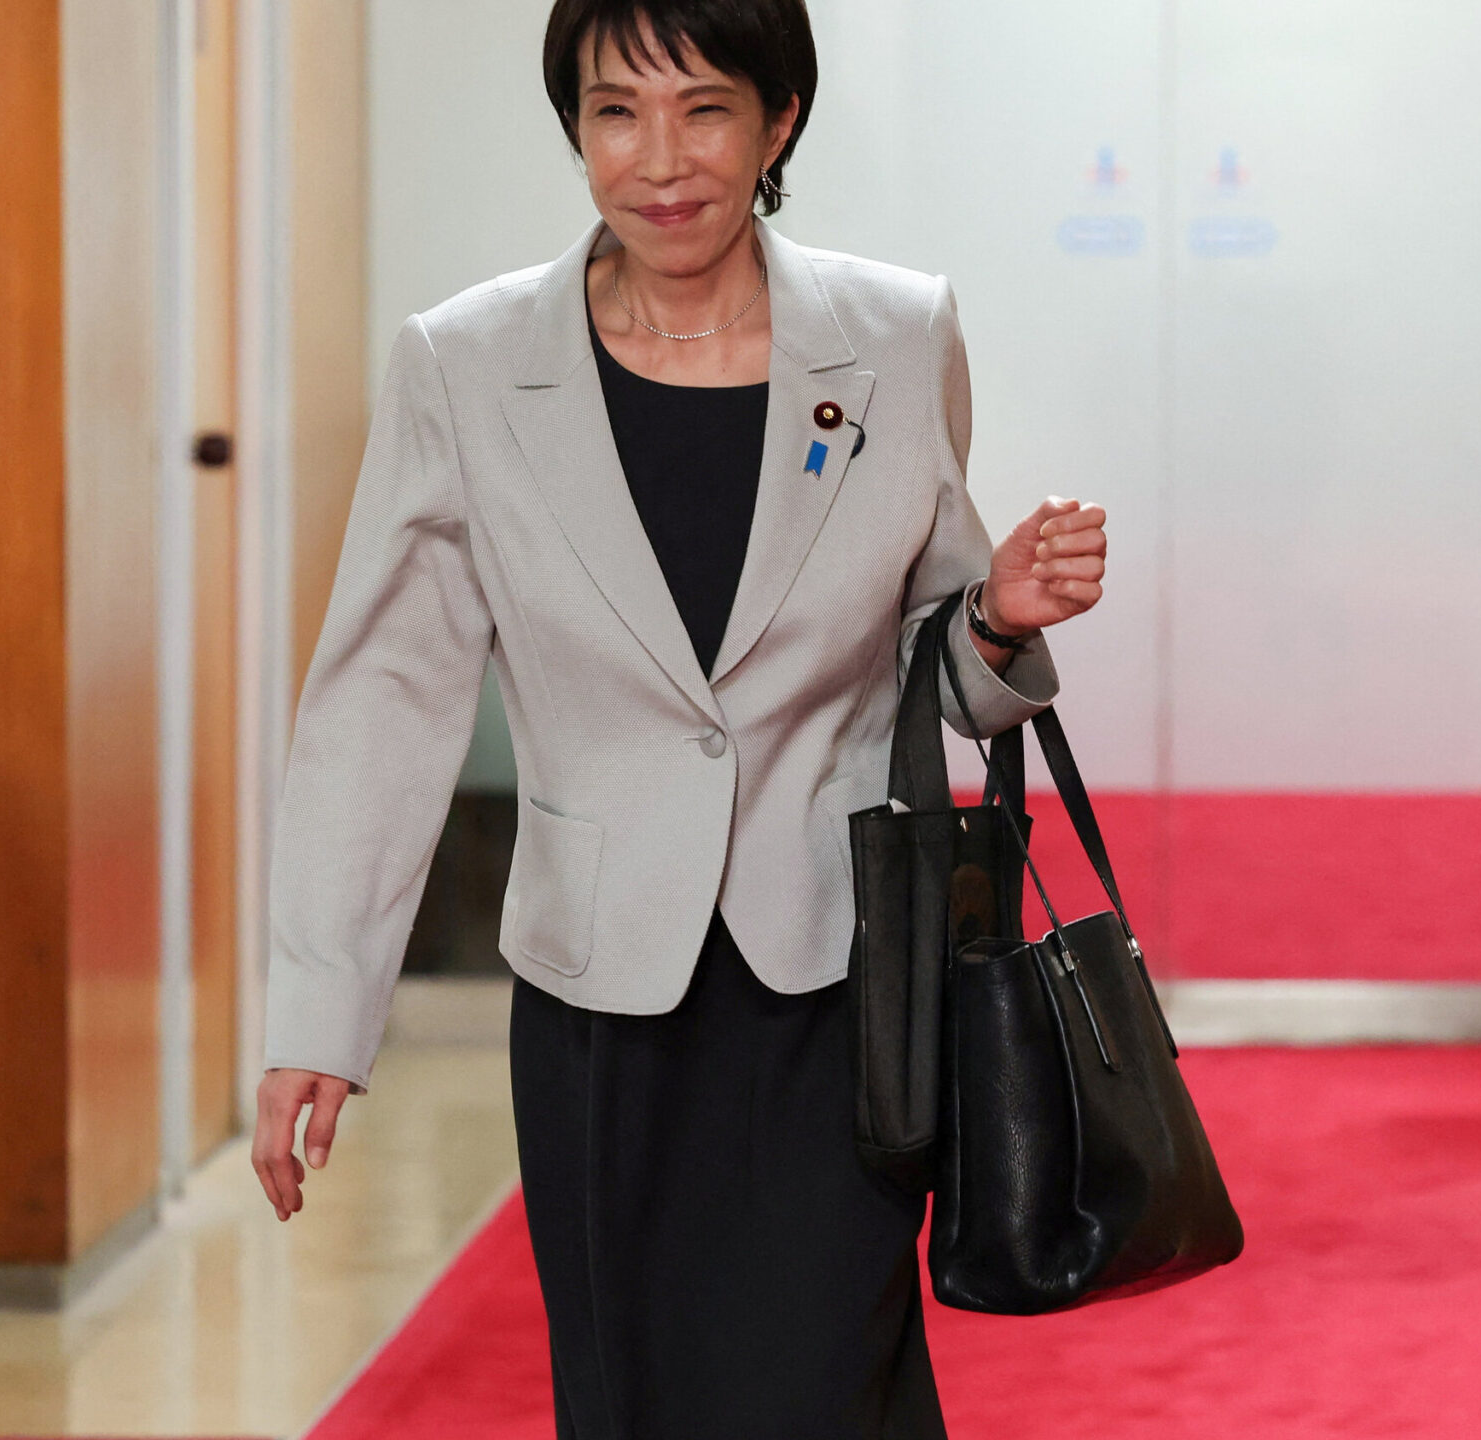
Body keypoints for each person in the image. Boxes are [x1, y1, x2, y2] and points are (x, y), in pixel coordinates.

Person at [251, 0, 1109, 1433]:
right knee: (632, 1395)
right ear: (576, 127)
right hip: (603, 997)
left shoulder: (897, 338)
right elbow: (383, 702)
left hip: (840, 978)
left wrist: (998, 619)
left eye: (705, 108)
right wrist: (320, 1013)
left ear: (778, 123)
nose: (659, 159)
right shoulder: (466, 365)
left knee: (832, 1386)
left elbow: (931, 672)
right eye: (615, 112)